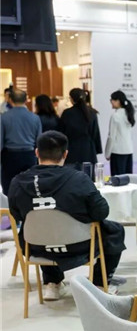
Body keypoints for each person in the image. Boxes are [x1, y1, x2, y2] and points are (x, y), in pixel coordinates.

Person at [8, 131, 125, 299]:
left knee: (43, 227)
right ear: (65, 154)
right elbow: (101, 212)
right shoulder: (79, 179)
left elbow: (17, 215)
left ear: (37, 152)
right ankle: (99, 284)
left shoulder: (18, 182)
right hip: (79, 246)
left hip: (36, 247)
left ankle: (52, 283)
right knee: (115, 230)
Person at [1, 89, 41, 193]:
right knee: (29, 185)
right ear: (26, 100)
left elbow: (0, 141)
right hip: (29, 155)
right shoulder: (35, 118)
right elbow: (39, 140)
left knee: (9, 186)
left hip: (10, 156)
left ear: (10, 100)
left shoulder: (4, 117)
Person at [58, 88, 102, 170]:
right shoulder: (92, 113)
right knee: (87, 176)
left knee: (72, 176)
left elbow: (61, 133)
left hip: (71, 152)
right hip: (88, 152)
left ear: (71, 99)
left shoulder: (67, 113)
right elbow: (95, 133)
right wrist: (97, 149)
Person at [105, 90, 135, 175]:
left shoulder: (115, 116)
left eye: (112, 100)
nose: (111, 102)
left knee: (117, 179)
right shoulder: (128, 114)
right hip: (128, 150)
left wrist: (107, 153)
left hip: (117, 151)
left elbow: (111, 136)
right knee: (128, 178)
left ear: (118, 101)